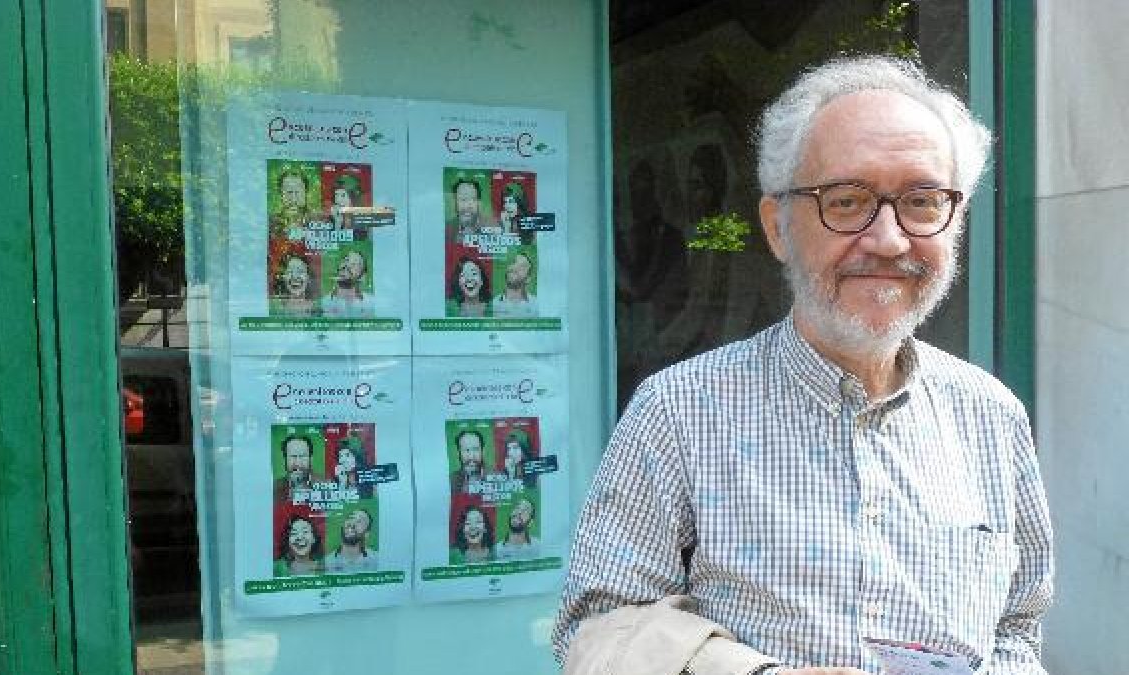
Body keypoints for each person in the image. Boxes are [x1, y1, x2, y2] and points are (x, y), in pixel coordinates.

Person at [554, 56, 1053, 675]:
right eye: (846, 201)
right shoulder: (678, 411)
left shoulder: (992, 415)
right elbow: (598, 630)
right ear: (778, 227)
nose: (890, 239)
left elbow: (1016, 628)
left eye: (923, 202)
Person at [273, 434, 318, 505]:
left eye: (303, 456)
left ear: (311, 459)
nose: (297, 463)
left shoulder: (325, 484)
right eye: (293, 456)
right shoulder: (274, 488)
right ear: (285, 459)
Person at [493, 251, 537, 317]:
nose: (515, 267)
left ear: (528, 279)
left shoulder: (536, 305)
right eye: (514, 262)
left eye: (522, 266)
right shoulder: (493, 304)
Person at [449, 429, 487, 494]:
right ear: (459, 453)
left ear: (483, 451)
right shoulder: (451, 481)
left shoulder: (495, 475)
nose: (471, 456)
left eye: (476, 449)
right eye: (466, 450)